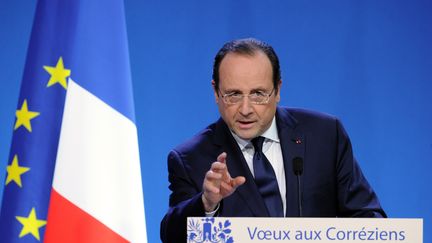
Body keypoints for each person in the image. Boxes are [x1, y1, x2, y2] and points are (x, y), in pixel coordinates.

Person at [160, 38, 386, 242]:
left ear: (277, 90)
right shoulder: (190, 158)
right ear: (216, 92)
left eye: (258, 94)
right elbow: (172, 237)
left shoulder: (325, 136)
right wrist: (207, 204)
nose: (246, 109)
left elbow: (367, 216)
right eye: (234, 94)